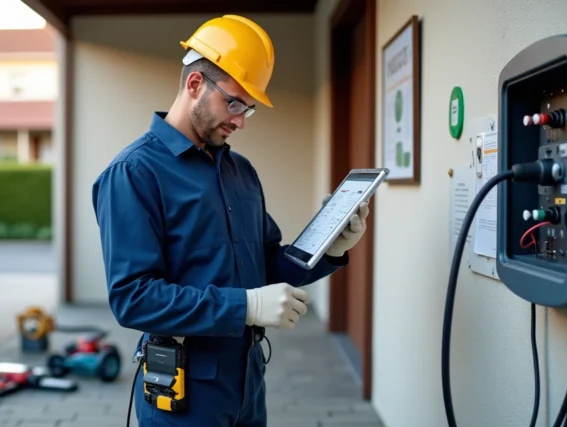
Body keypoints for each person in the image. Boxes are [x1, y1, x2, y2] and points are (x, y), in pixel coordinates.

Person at [91, 14, 369, 427]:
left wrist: (332, 249)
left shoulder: (241, 171)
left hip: (247, 382)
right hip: (183, 392)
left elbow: (266, 263)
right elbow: (134, 297)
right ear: (195, 84)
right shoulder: (134, 173)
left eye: (248, 110)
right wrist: (246, 305)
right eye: (234, 103)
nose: (239, 120)